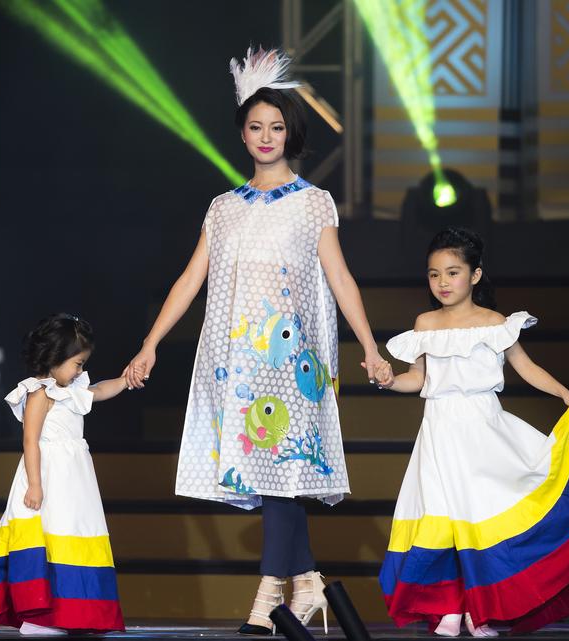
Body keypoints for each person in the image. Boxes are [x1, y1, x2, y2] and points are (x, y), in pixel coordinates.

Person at [123, 47, 388, 635]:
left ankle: (271, 596)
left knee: (280, 469)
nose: (266, 136)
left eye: (276, 127)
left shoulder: (313, 203)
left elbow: (339, 277)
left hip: (290, 360)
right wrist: (150, 344)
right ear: (242, 134)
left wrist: (369, 346)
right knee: (271, 472)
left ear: (290, 133)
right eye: (255, 127)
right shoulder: (223, 209)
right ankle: (307, 581)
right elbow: (191, 279)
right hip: (235, 363)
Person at [375, 228, 569, 636]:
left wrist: (563, 392)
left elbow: (526, 367)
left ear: (475, 275)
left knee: (480, 518)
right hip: (439, 432)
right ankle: (450, 605)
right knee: (444, 519)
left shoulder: (495, 323)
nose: (443, 282)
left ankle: (480, 610)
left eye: (452, 272)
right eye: (433, 275)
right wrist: (389, 381)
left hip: (484, 430)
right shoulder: (425, 323)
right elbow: (418, 378)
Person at [0, 313, 127, 635]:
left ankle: (74, 612)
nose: (80, 370)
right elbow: (30, 441)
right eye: (77, 363)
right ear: (56, 358)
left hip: (74, 478)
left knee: (75, 535)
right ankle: (39, 617)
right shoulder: (39, 393)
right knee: (50, 536)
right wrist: (35, 485)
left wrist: (126, 380)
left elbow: (101, 390)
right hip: (49, 476)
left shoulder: (74, 389)